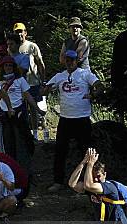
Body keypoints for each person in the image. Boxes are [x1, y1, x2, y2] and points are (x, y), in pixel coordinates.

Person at [42, 50, 104, 192]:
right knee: (60, 151)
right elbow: (44, 91)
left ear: (77, 61)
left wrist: (93, 94)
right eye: (67, 60)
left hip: (82, 119)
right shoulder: (59, 76)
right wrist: (47, 88)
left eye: (72, 60)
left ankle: (91, 181)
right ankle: (58, 181)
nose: (69, 63)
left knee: (87, 151)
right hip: (65, 119)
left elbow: (100, 86)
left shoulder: (84, 74)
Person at [0, 55, 44, 172]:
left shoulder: (20, 80)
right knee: (8, 142)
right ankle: (10, 167)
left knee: (21, 141)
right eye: (6, 65)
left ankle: (24, 167)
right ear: (2, 67)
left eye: (10, 65)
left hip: (18, 113)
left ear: (14, 67)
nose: (8, 68)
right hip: (5, 115)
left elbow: (28, 96)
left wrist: (38, 110)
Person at [13, 22, 48, 142]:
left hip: (33, 82)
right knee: (22, 109)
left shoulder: (32, 46)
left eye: (20, 31)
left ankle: (36, 134)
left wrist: (43, 81)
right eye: (16, 31)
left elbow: (40, 64)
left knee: (34, 109)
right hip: (18, 84)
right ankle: (24, 134)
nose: (19, 34)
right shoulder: (12, 47)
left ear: (25, 32)